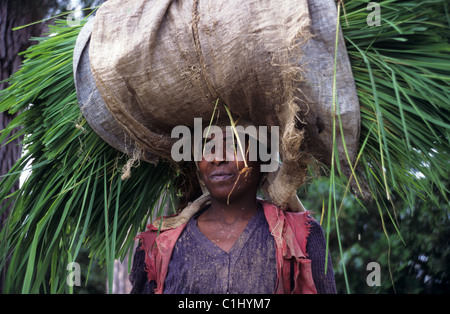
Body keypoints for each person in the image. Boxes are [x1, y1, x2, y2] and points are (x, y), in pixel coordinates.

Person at [130, 128, 336, 294]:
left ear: (262, 157)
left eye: (232, 144)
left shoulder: (299, 236)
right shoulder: (159, 243)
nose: (216, 158)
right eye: (207, 146)